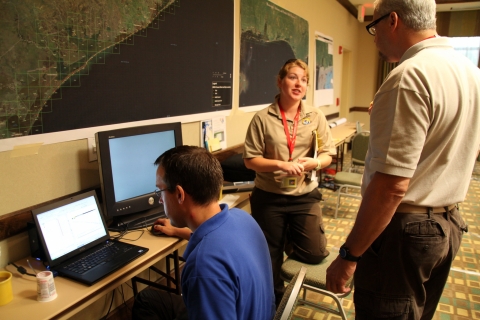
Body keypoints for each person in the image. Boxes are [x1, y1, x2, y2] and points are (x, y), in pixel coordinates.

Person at [326, 0, 480, 319]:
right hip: (447, 225)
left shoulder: (408, 77)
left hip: (405, 232)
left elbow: (392, 188)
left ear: (392, 21)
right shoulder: (470, 72)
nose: (374, 37)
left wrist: (348, 255)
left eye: (374, 27)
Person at [132, 146, 275, 320]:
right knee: (147, 299)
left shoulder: (203, 267)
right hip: (256, 312)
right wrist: (176, 231)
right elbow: (219, 245)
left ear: (179, 194)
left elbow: (211, 258)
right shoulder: (242, 218)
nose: (160, 199)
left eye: (160, 190)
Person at [243, 58, 336, 305]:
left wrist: (313, 163)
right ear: (280, 81)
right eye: (293, 77)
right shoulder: (262, 118)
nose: (299, 84)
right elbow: (250, 160)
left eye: (304, 80)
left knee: (315, 253)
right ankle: (275, 298)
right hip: (270, 196)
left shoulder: (315, 116)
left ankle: (289, 236)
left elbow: (328, 154)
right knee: (269, 256)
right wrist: (281, 164)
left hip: (304, 195)